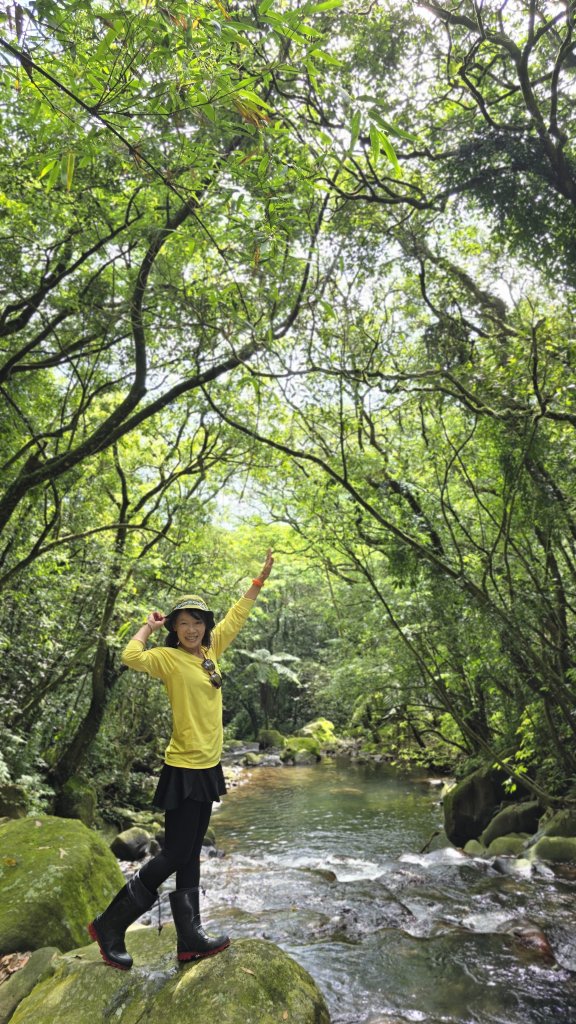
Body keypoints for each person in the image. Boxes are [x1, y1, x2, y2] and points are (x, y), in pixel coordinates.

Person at [88, 549, 274, 970]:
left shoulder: (211, 653)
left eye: (198, 622)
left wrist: (257, 582)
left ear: (205, 626)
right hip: (184, 767)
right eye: (183, 623)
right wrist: (146, 628)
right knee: (173, 853)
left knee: (190, 855)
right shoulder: (168, 659)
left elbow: (237, 617)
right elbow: (129, 657)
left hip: (208, 766)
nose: (192, 629)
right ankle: (109, 924)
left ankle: (190, 939)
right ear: (175, 628)